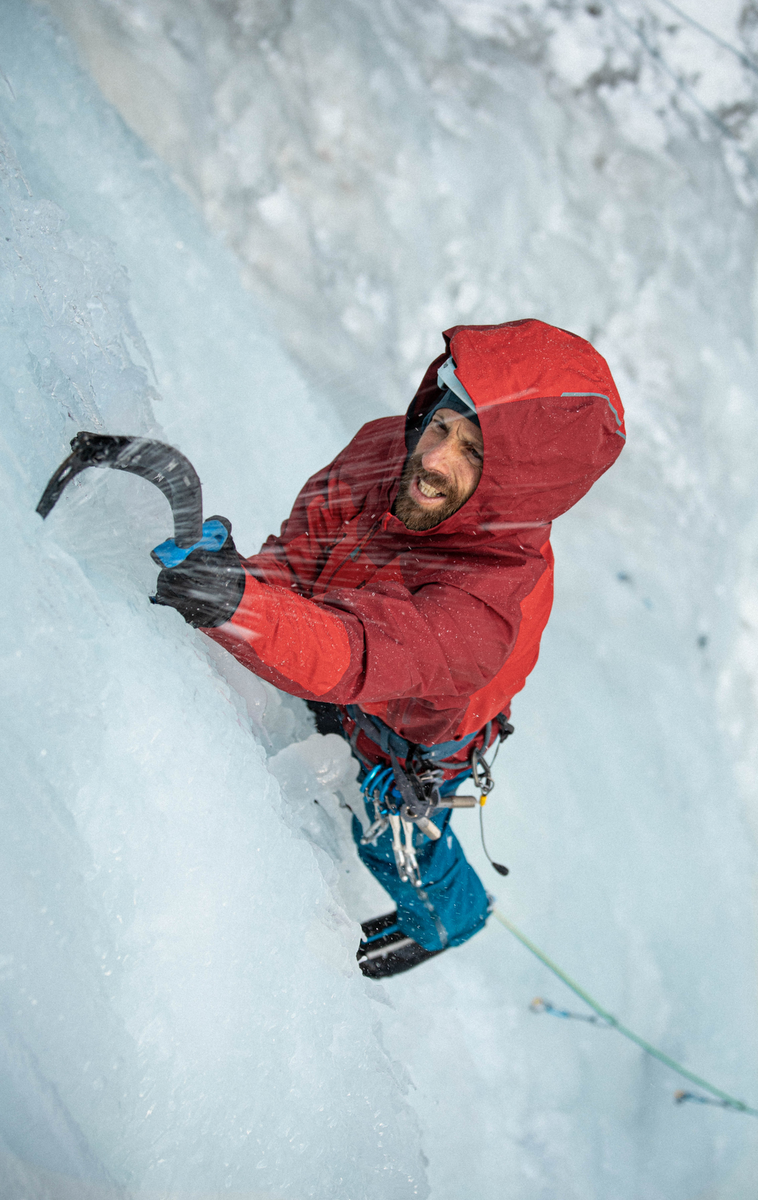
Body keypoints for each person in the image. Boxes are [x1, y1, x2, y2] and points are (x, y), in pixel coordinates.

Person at [153, 319, 626, 976]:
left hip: (417, 742)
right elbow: (300, 561)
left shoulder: (483, 613)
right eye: (442, 428)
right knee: (347, 752)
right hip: (350, 687)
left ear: (510, 490)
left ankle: (447, 919)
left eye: (473, 454)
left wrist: (235, 606)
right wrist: (244, 584)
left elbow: (352, 654)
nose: (434, 459)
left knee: (388, 837)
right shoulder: (385, 452)